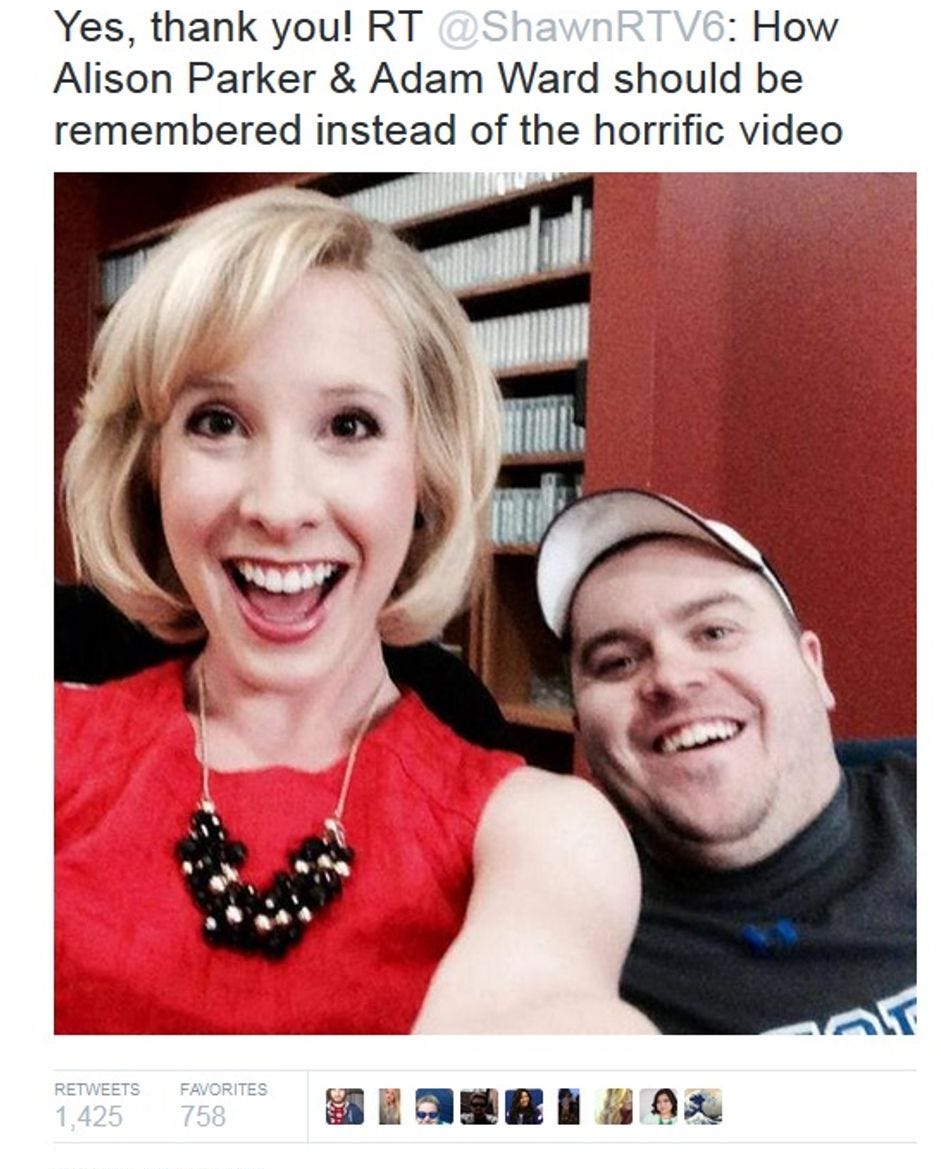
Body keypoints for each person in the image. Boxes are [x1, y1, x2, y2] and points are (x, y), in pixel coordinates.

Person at [56, 188, 652, 1036]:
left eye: (348, 425)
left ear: (427, 472)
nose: (280, 505)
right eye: (218, 421)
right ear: (151, 468)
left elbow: (543, 1008)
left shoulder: (538, 825)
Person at [536, 489, 916, 1035]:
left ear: (814, 667)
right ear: (584, 733)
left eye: (715, 632)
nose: (671, 677)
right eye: (616, 662)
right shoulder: (565, 954)